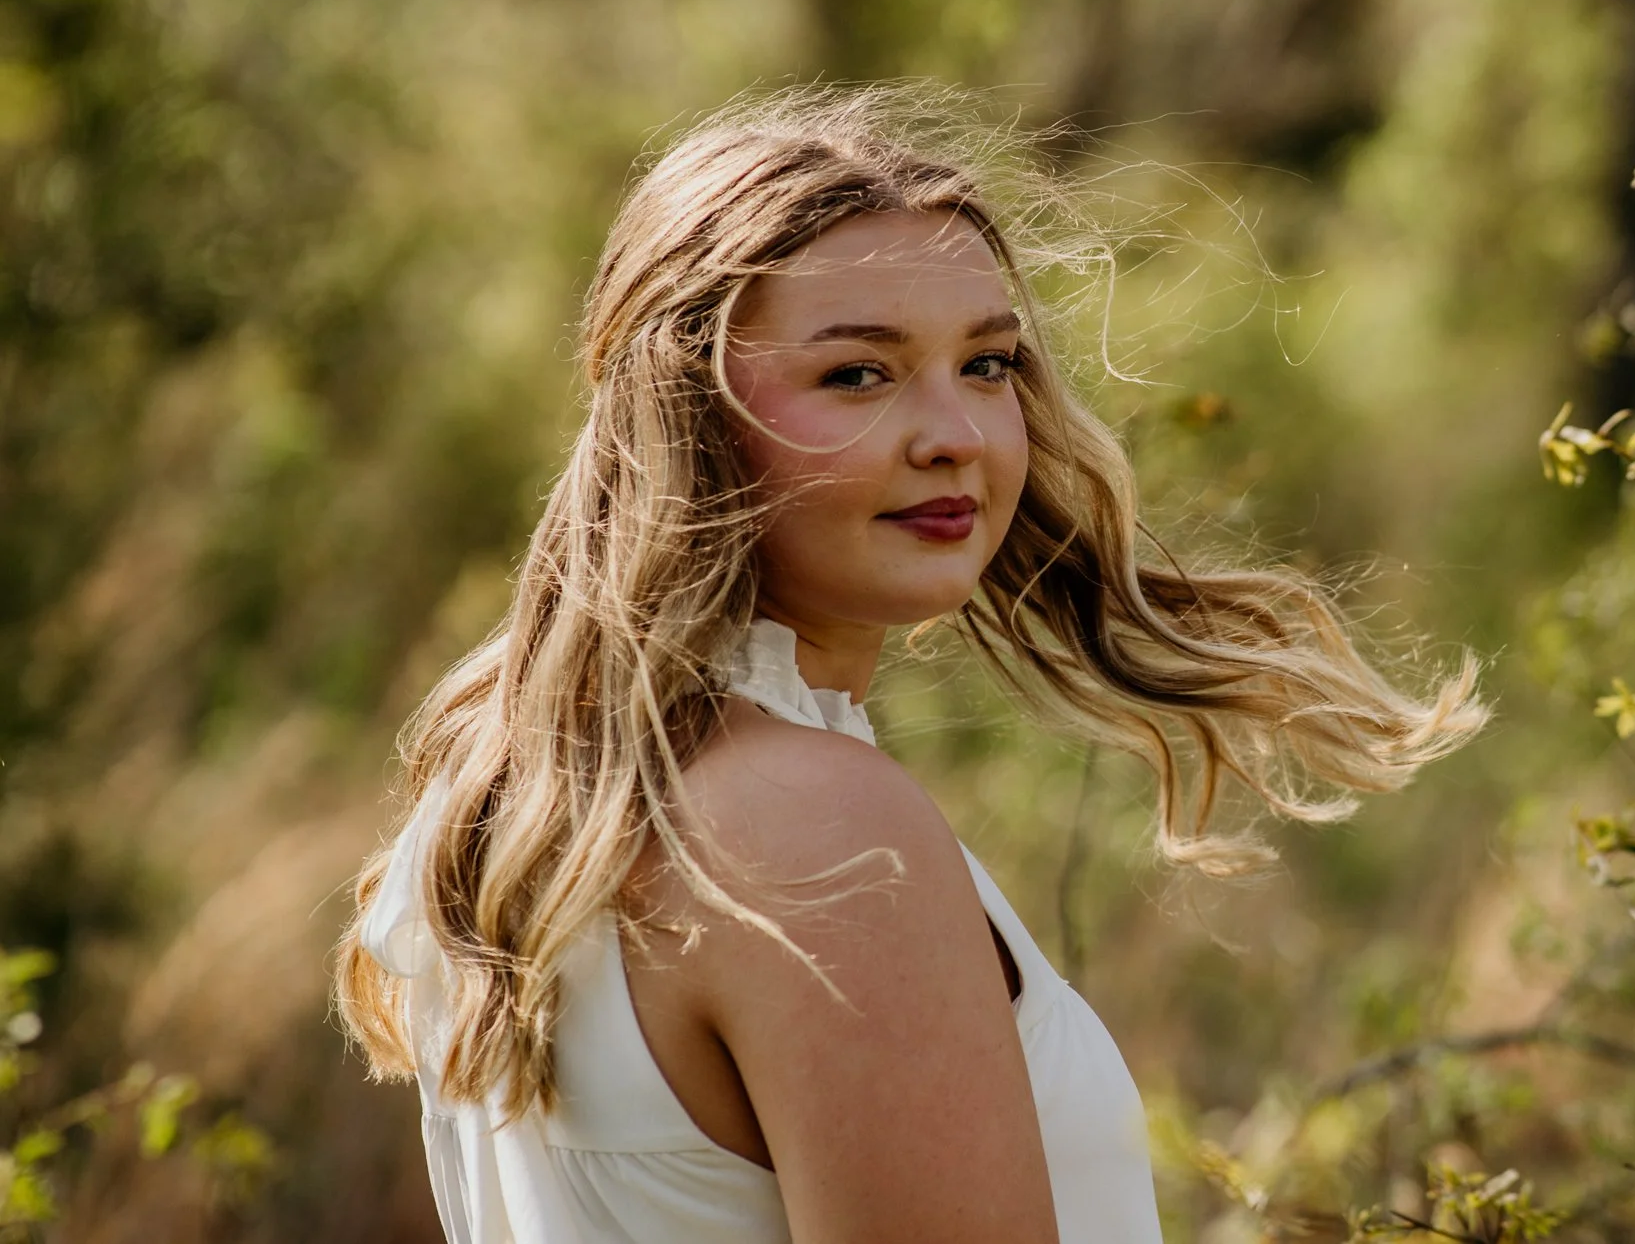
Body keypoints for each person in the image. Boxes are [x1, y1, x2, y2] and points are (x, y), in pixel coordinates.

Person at [334, 84, 1487, 1244]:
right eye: (857, 375)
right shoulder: (818, 833)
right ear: (684, 417)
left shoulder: (519, 791)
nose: (956, 436)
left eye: (986, 366)